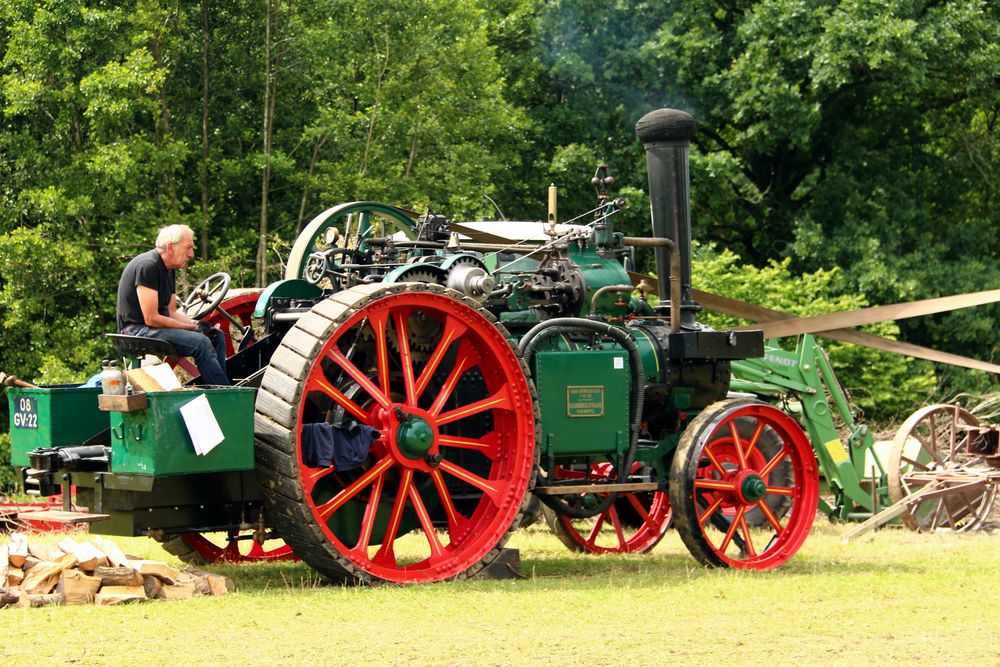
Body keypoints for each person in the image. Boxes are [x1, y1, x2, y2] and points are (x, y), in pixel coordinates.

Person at [116, 224, 230, 386]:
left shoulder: (169, 269)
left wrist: (194, 323)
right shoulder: (147, 266)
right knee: (200, 343)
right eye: (188, 248)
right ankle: (225, 396)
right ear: (171, 247)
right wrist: (189, 328)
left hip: (151, 328)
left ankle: (221, 386)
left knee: (215, 336)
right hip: (136, 330)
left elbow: (171, 312)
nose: (191, 254)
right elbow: (151, 319)